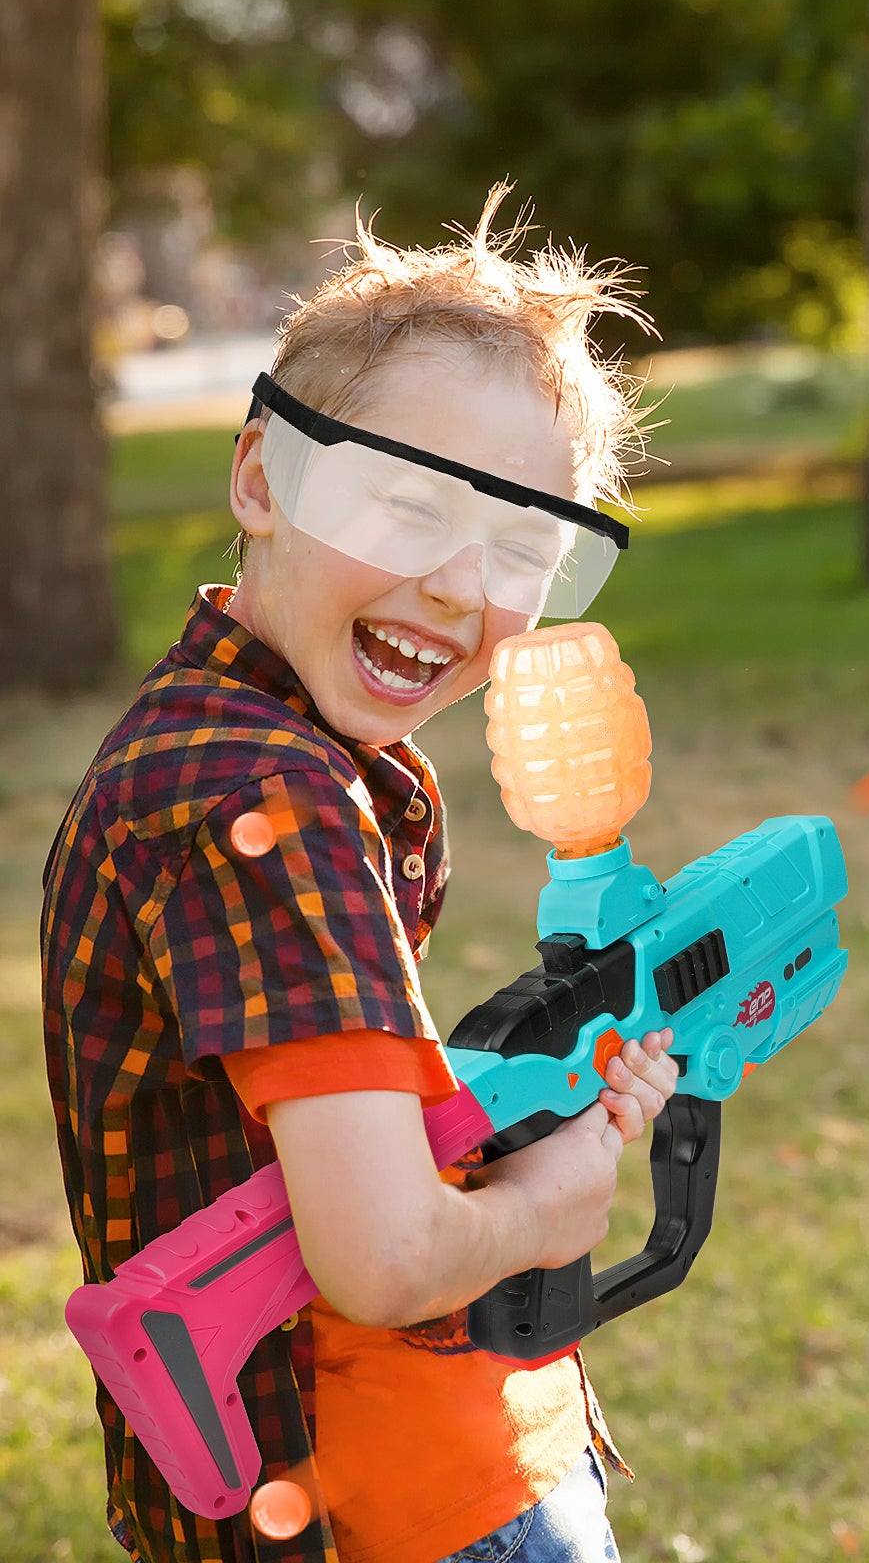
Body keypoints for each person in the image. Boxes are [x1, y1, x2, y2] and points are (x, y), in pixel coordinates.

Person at [42, 186, 678, 1563]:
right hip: (404, 1504)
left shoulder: (224, 745)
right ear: (262, 480)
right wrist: (546, 1207)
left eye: (525, 547)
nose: (458, 586)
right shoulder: (266, 802)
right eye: (405, 505)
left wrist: (518, 1112)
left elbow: (322, 1144)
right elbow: (382, 1257)